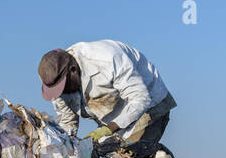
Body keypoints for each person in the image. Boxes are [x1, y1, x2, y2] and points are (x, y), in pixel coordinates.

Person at [37, 41, 177, 145]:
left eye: (64, 88)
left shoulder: (107, 58)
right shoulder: (56, 82)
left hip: (149, 105)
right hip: (112, 119)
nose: (63, 93)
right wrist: (66, 145)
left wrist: (109, 129)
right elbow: (68, 122)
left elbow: (141, 99)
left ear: (73, 70)